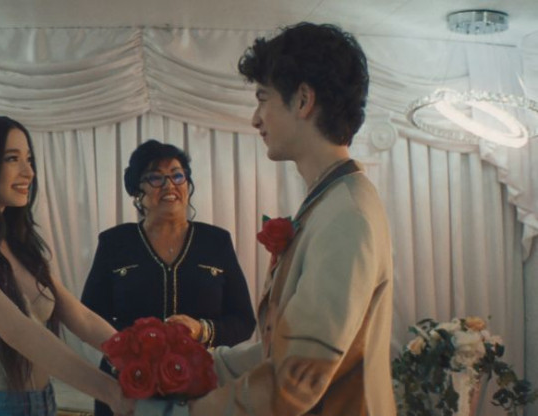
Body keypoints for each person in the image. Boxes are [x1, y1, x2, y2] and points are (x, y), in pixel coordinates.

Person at [188, 23, 396, 415]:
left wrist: (183, 412)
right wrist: (200, 367)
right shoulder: (330, 202)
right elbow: (287, 349)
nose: (255, 118)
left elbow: (295, 382)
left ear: (302, 100)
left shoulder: (347, 215)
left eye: (262, 99)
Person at [0, 115, 134, 416]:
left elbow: (81, 317)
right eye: (12, 159)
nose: (29, 172)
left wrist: (137, 356)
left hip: (44, 403)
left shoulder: (17, 244)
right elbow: (19, 331)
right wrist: (110, 391)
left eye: (29, 159)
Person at [81, 139, 257, 416]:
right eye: (155, 177)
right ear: (136, 190)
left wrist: (201, 330)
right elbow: (89, 314)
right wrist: (132, 347)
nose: (169, 185)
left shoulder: (216, 241)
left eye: (177, 175)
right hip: (127, 385)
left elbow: (243, 320)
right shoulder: (115, 242)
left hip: (200, 386)